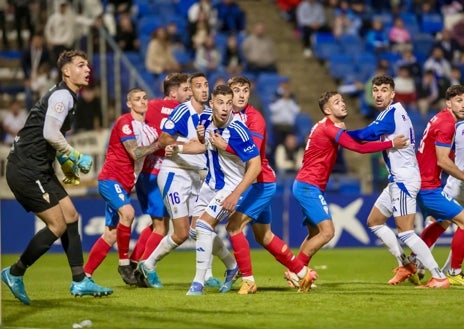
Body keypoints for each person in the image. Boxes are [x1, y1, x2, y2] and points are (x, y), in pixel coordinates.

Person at [1, 50, 112, 305]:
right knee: (57, 225)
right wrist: (76, 155)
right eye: (81, 65)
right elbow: (51, 133)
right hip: (26, 168)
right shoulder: (63, 96)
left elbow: (52, 139)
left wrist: (69, 165)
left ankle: (79, 280)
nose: (87, 70)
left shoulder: (68, 96)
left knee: (71, 215)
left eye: (87, 65)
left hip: (40, 168)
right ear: (66, 71)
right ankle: (15, 272)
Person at [289, 91, 409, 289]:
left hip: (308, 185)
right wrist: (390, 143)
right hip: (308, 186)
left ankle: (297, 272)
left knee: (314, 234)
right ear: (327, 110)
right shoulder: (328, 128)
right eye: (337, 102)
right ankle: (295, 271)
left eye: (343, 100)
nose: (343, 104)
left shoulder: (327, 127)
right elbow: (359, 148)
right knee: (327, 233)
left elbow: (356, 141)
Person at [211, 76, 315, 294]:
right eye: (236, 90)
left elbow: (254, 155)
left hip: (260, 182)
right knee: (264, 236)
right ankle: (303, 274)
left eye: (245, 90)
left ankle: (248, 280)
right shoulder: (225, 116)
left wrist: (225, 146)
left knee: (233, 226)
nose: (241, 94)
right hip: (252, 183)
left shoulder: (254, 118)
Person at [346, 75, 449, 288]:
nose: (379, 94)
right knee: (374, 221)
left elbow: (368, 134)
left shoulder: (391, 114)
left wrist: (340, 135)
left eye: (384, 90)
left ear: (392, 93)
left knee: (406, 232)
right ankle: (406, 265)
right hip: (397, 179)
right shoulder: (390, 113)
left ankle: (439, 276)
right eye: (375, 90)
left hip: (403, 180)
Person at [165, 84, 262, 295]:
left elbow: (256, 165)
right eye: (220, 102)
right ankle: (231, 265)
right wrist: (178, 147)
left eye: (229, 103)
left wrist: (236, 194)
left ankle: (198, 283)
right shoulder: (206, 119)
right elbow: (203, 146)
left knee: (203, 226)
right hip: (210, 184)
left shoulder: (238, 130)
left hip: (231, 186)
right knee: (194, 230)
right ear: (212, 104)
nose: (225, 108)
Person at [135, 72, 213, 288]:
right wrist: (182, 144)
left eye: (206, 85)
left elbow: (206, 144)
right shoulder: (182, 111)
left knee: (203, 227)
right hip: (175, 173)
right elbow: (163, 139)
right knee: (180, 233)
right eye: (197, 86)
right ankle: (147, 264)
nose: (203, 89)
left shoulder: (209, 114)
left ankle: (207, 275)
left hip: (197, 176)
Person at [83, 87, 161, 285]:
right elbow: (135, 152)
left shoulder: (151, 129)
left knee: (110, 234)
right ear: (129, 103)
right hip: (110, 179)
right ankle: (124, 263)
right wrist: (160, 145)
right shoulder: (124, 122)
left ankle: (85, 277)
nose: (142, 102)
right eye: (137, 99)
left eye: (145, 98)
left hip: (125, 185)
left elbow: (164, 144)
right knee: (128, 213)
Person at [129, 73, 191, 275]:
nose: (189, 93)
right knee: (161, 227)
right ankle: (143, 269)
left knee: (158, 222)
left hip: (144, 172)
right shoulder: (183, 110)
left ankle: (132, 262)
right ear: (173, 92)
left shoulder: (150, 106)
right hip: (160, 172)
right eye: (185, 89)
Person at [411, 84, 464, 286]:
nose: (463, 105)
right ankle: (454, 271)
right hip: (430, 185)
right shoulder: (449, 124)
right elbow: (443, 160)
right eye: (459, 101)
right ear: (448, 103)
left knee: (440, 222)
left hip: (426, 182)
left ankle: (414, 263)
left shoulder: (441, 118)